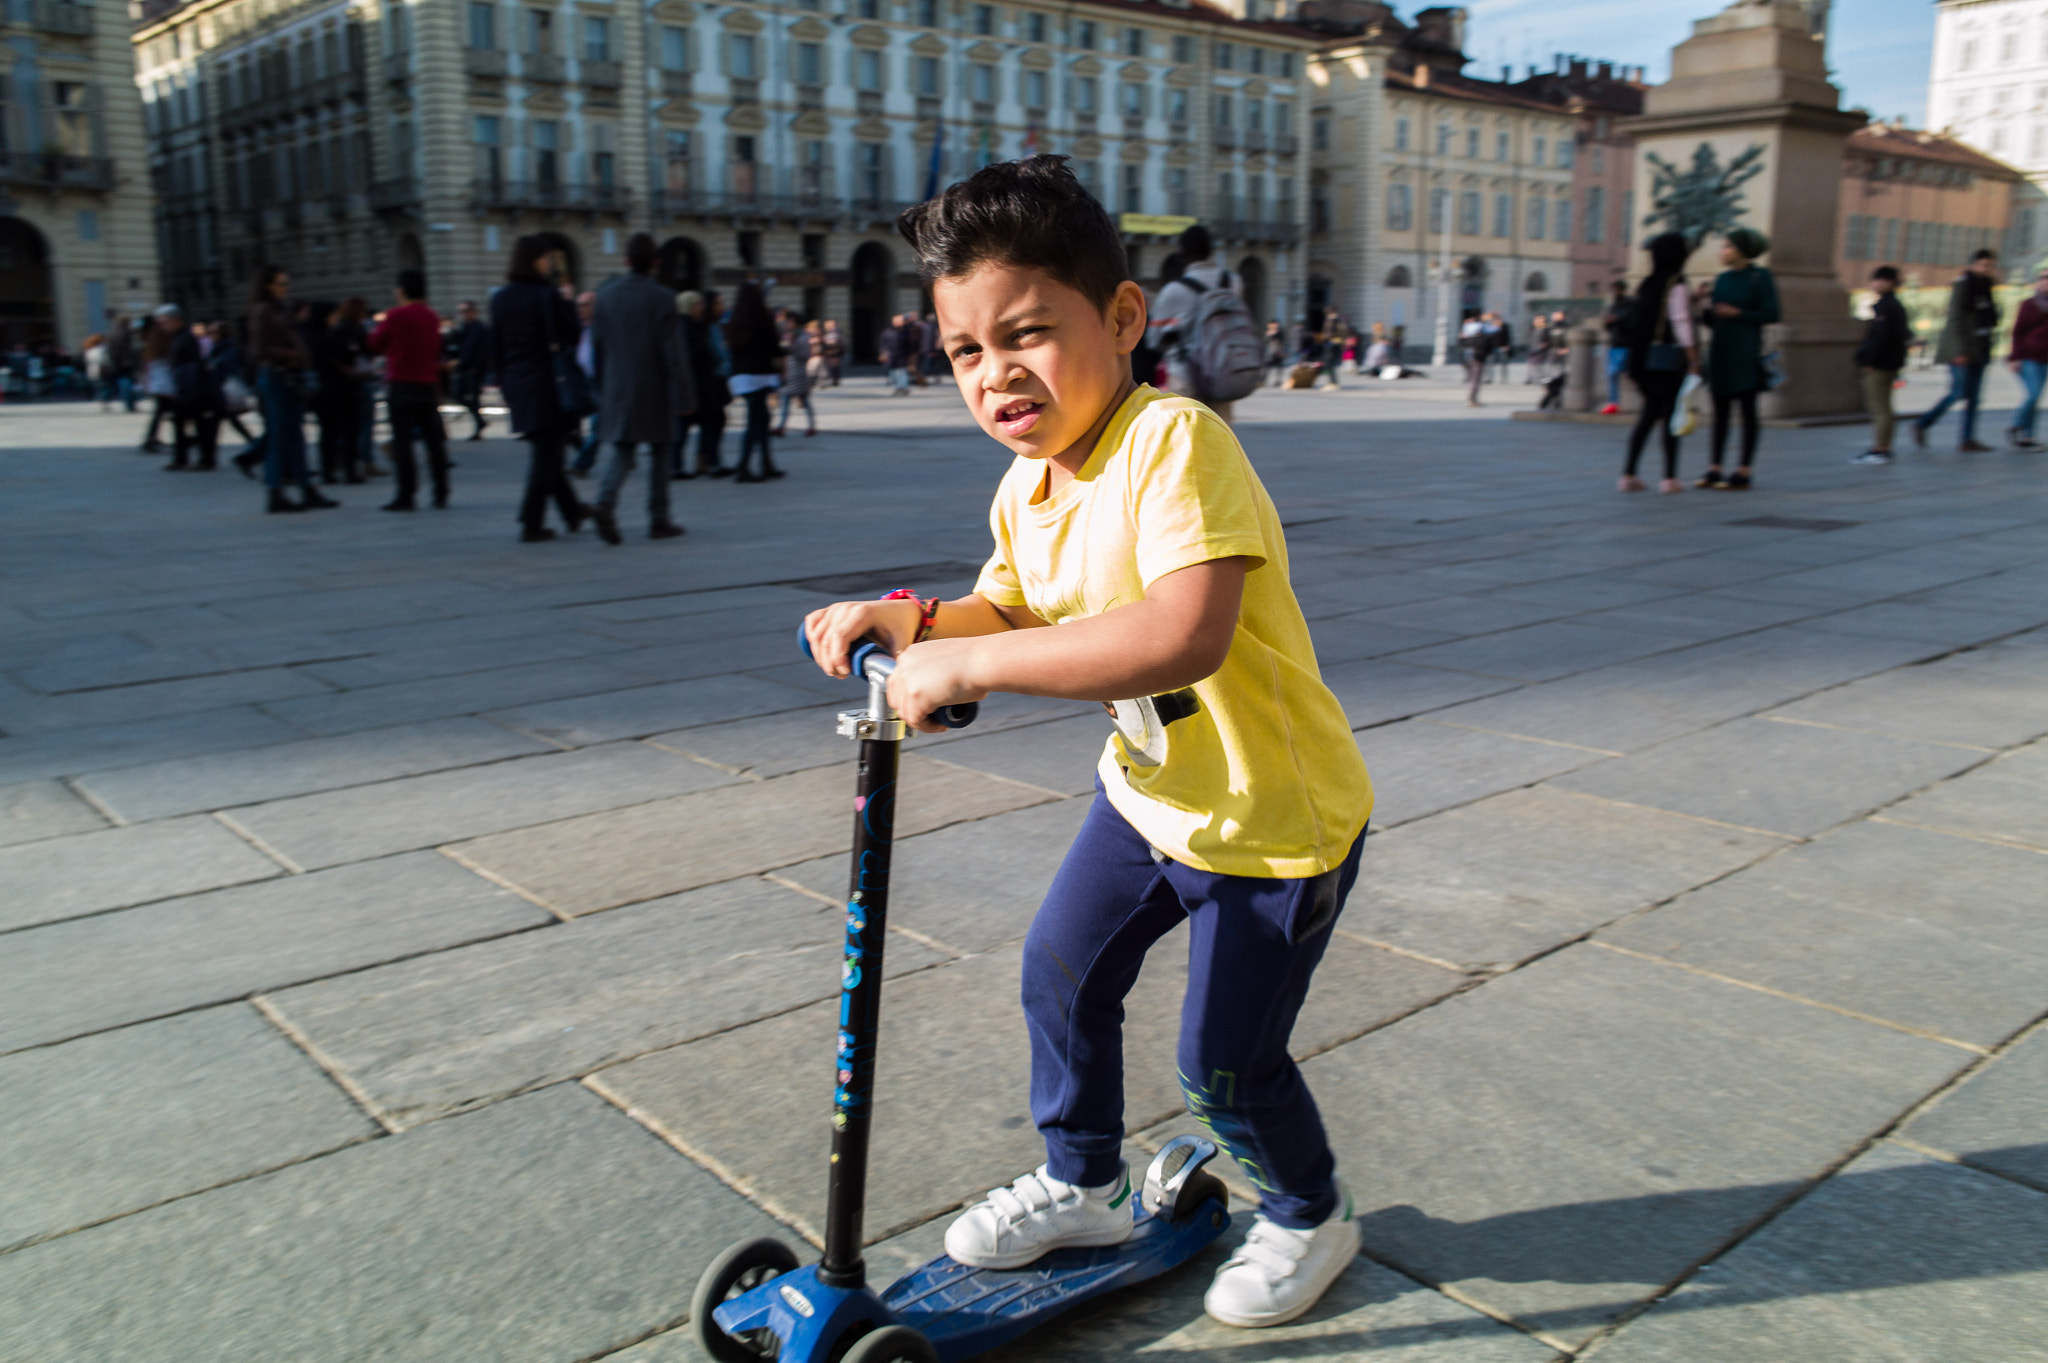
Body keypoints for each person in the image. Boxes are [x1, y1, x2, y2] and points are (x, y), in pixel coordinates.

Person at [805, 156, 1373, 1330]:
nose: (995, 372)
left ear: (1120, 318)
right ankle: (1084, 1182)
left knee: (1222, 1063)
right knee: (1059, 977)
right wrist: (908, 617)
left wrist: (964, 665)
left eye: (1026, 333)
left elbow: (1179, 634)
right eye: (966, 350)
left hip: (1272, 819)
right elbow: (1009, 606)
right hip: (1150, 796)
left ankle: (1309, 1210)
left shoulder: (1175, 441)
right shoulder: (1031, 482)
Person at [589, 232, 693, 543]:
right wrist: (684, 393)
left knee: (623, 450)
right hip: (654, 387)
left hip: (618, 385)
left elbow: (597, 346)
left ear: (626, 261)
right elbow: (672, 351)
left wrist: (601, 385)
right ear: (655, 263)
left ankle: (605, 502)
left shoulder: (605, 296)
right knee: (660, 452)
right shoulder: (662, 298)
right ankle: (658, 519)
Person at [492, 235, 592, 542]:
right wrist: (566, 303)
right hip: (548, 383)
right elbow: (573, 333)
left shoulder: (500, 298)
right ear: (536, 261)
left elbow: (496, 347)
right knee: (546, 456)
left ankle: (573, 512)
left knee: (548, 452)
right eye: (547, 258)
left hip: (517, 381)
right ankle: (531, 522)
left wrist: (504, 386)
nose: (550, 264)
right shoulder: (546, 295)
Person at [1696, 228, 1781, 490]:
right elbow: (1713, 319)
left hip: (1745, 352)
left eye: (1728, 247)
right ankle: (1715, 467)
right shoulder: (1721, 279)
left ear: (1743, 251)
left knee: (1747, 412)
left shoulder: (1760, 277)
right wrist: (1705, 307)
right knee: (1719, 412)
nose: (1723, 252)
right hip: (1721, 349)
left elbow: (1772, 313)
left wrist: (1737, 313)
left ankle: (1743, 469)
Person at [245, 268, 335, 512]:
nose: (286, 287)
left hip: (288, 377)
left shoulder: (278, 309)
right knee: (278, 435)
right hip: (276, 376)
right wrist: (290, 355)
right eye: (281, 283)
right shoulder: (263, 311)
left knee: (295, 435)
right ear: (268, 286)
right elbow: (258, 351)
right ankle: (275, 492)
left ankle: (306, 488)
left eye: (287, 283)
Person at [366, 269, 452, 510]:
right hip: (427, 383)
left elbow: (374, 343)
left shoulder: (394, 316)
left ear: (401, 291)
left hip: (401, 383)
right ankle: (441, 491)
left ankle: (407, 494)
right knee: (434, 441)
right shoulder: (432, 317)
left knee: (403, 442)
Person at [1619, 231, 1698, 494]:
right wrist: (1693, 358)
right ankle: (1669, 478)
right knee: (1670, 416)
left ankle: (1628, 474)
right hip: (1665, 360)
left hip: (1641, 359)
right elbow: (1681, 321)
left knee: (1648, 415)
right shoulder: (1676, 283)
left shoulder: (1648, 284)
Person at [1148, 223, 1244, 423]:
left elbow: (1154, 340)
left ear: (1183, 254)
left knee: (1187, 441)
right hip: (1222, 373)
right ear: (1210, 251)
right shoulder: (1233, 283)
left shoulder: (1174, 291)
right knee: (1221, 440)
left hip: (1186, 378)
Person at [1913, 248, 2001, 454]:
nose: (1985, 269)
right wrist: (1959, 352)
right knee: (1959, 392)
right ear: (1972, 265)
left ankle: (1967, 439)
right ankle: (1922, 423)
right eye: (1982, 265)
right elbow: (1954, 320)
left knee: (1975, 397)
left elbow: (1991, 318)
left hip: (1980, 347)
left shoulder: (1987, 288)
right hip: (1961, 349)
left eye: (1989, 265)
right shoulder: (1963, 286)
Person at [724, 281, 784, 482]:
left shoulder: (735, 320)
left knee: (761, 418)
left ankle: (765, 463)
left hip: (741, 376)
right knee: (756, 421)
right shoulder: (762, 319)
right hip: (760, 375)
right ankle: (744, 466)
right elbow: (774, 347)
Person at [1852, 265, 1911, 466]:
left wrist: (1870, 362)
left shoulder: (1887, 307)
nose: (1873, 284)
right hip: (1889, 364)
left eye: (1877, 280)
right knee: (1884, 407)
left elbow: (1881, 339)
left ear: (1889, 282)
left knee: (1880, 408)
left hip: (1881, 366)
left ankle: (1881, 449)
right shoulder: (1893, 305)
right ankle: (1883, 447)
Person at [675, 290, 733, 478]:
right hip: (694, 385)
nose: (702, 307)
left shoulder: (695, 325)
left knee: (707, 424)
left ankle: (707, 463)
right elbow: (690, 357)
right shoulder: (685, 327)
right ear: (687, 307)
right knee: (688, 426)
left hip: (701, 384)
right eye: (697, 304)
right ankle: (682, 466)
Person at [2005, 266, 2048, 449]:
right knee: (2033, 394)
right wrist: (2015, 357)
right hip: (2028, 357)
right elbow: (2017, 331)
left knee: (2035, 397)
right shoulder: (2029, 304)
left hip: (2044, 357)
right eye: (2044, 278)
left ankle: (2027, 437)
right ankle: (2017, 425)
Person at [448, 300, 492, 440]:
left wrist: (477, 368)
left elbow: (483, 351)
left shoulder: (480, 328)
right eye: (462, 312)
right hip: (463, 368)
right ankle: (479, 421)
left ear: (474, 312)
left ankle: (479, 425)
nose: (465, 314)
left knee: (473, 397)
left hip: (473, 369)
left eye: (467, 311)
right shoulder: (461, 329)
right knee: (459, 396)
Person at [570, 289, 602, 476]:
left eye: (585, 305)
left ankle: (582, 463)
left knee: (598, 424)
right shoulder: (576, 328)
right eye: (579, 305)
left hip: (599, 382)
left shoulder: (603, 327)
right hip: (579, 381)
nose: (581, 309)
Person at [776, 315, 817, 437]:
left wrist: (792, 348)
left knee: (805, 401)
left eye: (790, 321)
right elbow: (782, 350)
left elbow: (805, 355)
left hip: (799, 373)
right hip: (788, 372)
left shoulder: (802, 337)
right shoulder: (786, 335)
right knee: (785, 402)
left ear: (796, 323)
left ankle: (811, 426)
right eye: (787, 322)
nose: (788, 324)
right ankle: (781, 426)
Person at [1600, 280, 1631, 414]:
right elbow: (1607, 325)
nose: (1615, 292)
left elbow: (1631, 322)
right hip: (1615, 343)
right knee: (1612, 374)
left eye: (1617, 289)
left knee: (1617, 372)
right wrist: (1608, 322)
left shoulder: (1630, 305)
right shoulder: (1613, 306)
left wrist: (1616, 320)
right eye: (1614, 289)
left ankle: (1614, 402)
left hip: (1626, 343)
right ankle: (1613, 402)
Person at [1459, 312, 1488, 406]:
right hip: (1477, 358)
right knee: (1475, 380)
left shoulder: (1466, 333)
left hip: (1469, 358)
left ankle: (1471, 398)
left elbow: (1461, 344)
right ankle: (1472, 399)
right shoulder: (1479, 332)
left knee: (1473, 380)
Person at [880, 313, 910, 394]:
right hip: (891, 355)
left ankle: (903, 387)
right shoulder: (888, 331)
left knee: (902, 371)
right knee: (893, 372)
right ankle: (897, 387)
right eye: (896, 321)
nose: (899, 322)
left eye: (900, 321)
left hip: (902, 355)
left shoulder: (906, 331)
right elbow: (883, 343)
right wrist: (883, 353)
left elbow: (909, 343)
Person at [819, 317, 845, 385]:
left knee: (833, 366)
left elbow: (837, 341)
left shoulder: (837, 332)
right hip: (828, 351)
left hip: (834, 351)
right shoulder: (825, 332)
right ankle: (831, 379)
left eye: (831, 325)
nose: (828, 326)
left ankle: (834, 380)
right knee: (829, 366)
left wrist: (827, 341)